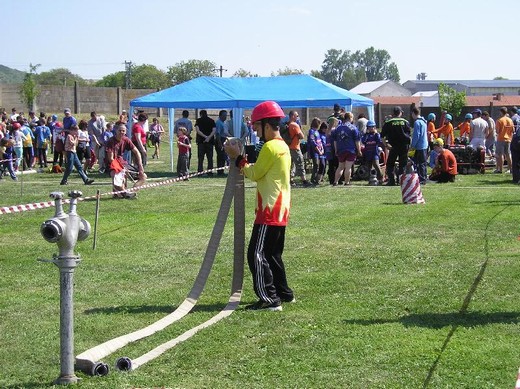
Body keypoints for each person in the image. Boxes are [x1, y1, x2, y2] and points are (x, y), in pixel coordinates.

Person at [224, 100, 294, 311]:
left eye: (256, 126)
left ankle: (270, 298)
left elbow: (255, 174)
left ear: (265, 124)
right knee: (272, 254)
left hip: (269, 209)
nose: (254, 129)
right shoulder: (282, 145)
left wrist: (237, 159)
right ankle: (284, 293)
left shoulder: (271, 146)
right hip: (280, 207)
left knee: (256, 253)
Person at [105, 123, 145, 199]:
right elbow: (111, 158)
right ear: (116, 131)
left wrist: (140, 166)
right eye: (120, 130)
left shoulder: (126, 139)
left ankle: (131, 193)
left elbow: (137, 152)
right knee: (117, 182)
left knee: (143, 176)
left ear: (125, 132)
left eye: (123, 131)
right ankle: (124, 194)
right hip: (112, 165)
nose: (121, 132)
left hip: (123, 163)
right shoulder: (110, 141)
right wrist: (121, 169)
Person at [381, 106, 412, 186]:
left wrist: (386, 145)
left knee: (390, 164)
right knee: (403, 164)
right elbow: (409, 135)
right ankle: (401, 181)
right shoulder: (405, 122)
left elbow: (382, 136)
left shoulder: (388, 122)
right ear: (400, 113)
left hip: (393, 146)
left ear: (393, 113)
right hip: (404, 146)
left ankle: (391, 181)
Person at [332, 112, 362, 186]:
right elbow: (357, 141)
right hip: (350, 150)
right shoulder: (354, 128)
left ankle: (335, 182)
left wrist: (336, 150)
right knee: (348, 167)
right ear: (350, 118)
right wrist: (359, 150)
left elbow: (335, 140)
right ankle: (347, 182)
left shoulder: (338, 127)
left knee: (340, 167)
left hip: (341, 150)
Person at [287, 110, 310, 186]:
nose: (298, 117)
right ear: (293, 116)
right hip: (295, 147)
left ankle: (291, 179)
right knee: (300, 163)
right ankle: (304, 180)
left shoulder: (288, 124)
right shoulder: (294, 125)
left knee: (291, 164)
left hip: (289, 146)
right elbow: (302, 136)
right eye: (296, 116)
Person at [361, 120, 384, 185]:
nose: (371, 128)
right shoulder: (366, 135)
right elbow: (363, 141)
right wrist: (366, 134)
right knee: (369, 167)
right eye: (369, 127)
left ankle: (381, 178)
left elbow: (379, 141)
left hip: (375, 153)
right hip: (368, 153)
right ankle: (371, 179)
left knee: (376, 165)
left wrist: (376, 133)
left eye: (372, 127)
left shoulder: (376, 135)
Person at [410, 107, 429, 184]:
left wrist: (413, 145)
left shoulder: (417, 122)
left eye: (412, 114)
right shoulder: (424, 121)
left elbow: (416, 135)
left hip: (419, 146)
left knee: (419, 163)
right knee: (423, 163)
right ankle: (424, 177)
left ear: (414, 113)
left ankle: (421, 179)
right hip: (425, 145)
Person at [195, 109, 216, 176]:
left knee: (200, 158)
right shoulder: (211, 121)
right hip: (210, 142)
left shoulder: (198, 120)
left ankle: (200, 171)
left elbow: (198, 130)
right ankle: (210, 171)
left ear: (200, 114)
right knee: (210, 158)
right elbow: (214, 130)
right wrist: (208, 137)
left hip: (201, 142)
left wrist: (205, 136)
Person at [494, 107, 514, 174]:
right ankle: (511, 169)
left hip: (501, 139)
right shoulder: (510, 120)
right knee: (508, 154)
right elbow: (513, 130)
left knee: (500, 154)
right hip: (508, 139)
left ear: (501, 112)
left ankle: (500, 169)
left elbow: (497, 131)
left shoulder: (499, 120)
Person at [306, 117, 324, 184]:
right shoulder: (311, 131)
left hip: (319, 150)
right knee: (316, 164)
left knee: (319, 164)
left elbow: (320, 141)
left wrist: (322, 149)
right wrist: (318, 151)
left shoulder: (317, 132)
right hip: (314, 151)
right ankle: (313, 179)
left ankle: (317, 178)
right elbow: (313, 142)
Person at [215, 110, 231, 176]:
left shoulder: (223, 123)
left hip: (224, 139)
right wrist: (220, 144)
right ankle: (220, 171)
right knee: (220, 156)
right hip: (220, 140)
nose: (225, 117)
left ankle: (222, 170)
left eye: (226, 116)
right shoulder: (219, 123)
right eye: (224, 115)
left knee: (223, 156)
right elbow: (218, 134)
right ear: (220, 115)